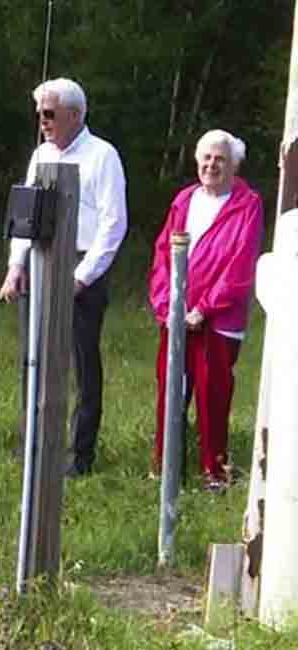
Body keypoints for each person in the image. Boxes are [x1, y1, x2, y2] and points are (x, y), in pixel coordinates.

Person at [0, 78, 127, 477]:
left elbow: (114, 224)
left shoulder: (103, 156)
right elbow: (25, 215)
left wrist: (82, 278)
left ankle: (78, 454)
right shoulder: (40, 155)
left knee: (81, 363)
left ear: (75, 114)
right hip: (39, 261)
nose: (43, 122)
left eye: (50, 114)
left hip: (82, 263)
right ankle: (34, 443)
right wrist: (16, 266)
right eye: (38, 114)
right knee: (31, 357)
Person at [148, 129, 263, 490]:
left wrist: (204, 310)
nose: (212, 165)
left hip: (218, 321)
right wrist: (168, 306)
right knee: (170, 391)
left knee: (213, 397)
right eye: (207, 158)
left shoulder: (247, 204)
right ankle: (166, 468)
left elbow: (240, 264)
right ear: (197, 161)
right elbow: (163, 255)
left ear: (234, 165)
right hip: (177, 317)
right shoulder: (184, 200)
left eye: (221, 159)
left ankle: (215, 472)